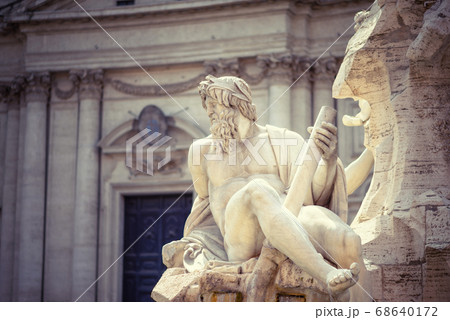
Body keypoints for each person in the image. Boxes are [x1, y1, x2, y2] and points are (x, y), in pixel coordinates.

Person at [163, 75, 369, 301]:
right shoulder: (201, 151)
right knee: (257, 190)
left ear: (237, 103)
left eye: (214, 104)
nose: (209, 111)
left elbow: (310, 196)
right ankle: (326, 273)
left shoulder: (283, 139)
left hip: (289, 219)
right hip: (241, 238)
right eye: (207, 106)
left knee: (346, 239)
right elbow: (204, 206)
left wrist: (328, 161)